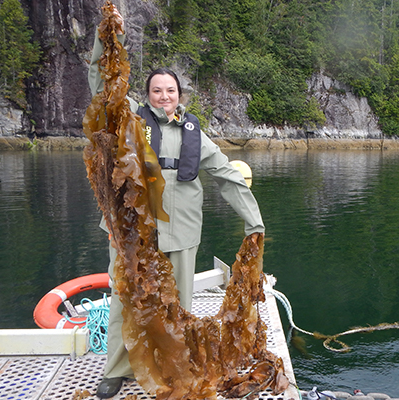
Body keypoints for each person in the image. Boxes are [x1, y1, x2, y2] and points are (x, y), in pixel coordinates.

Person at [87, 8, 265, 399]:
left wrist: (254, 221)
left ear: (179, 96)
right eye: (157, 91)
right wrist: (107, 34)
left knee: (177, 308)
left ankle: (169, 366)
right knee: (124, 302)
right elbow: (102, 82)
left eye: (170, 91)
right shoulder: (129, 121)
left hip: (182, 232)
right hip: (131, 231)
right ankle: (116, 370)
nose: (164, 96)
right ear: (148, 96)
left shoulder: (196, 136)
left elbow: (227, 177)